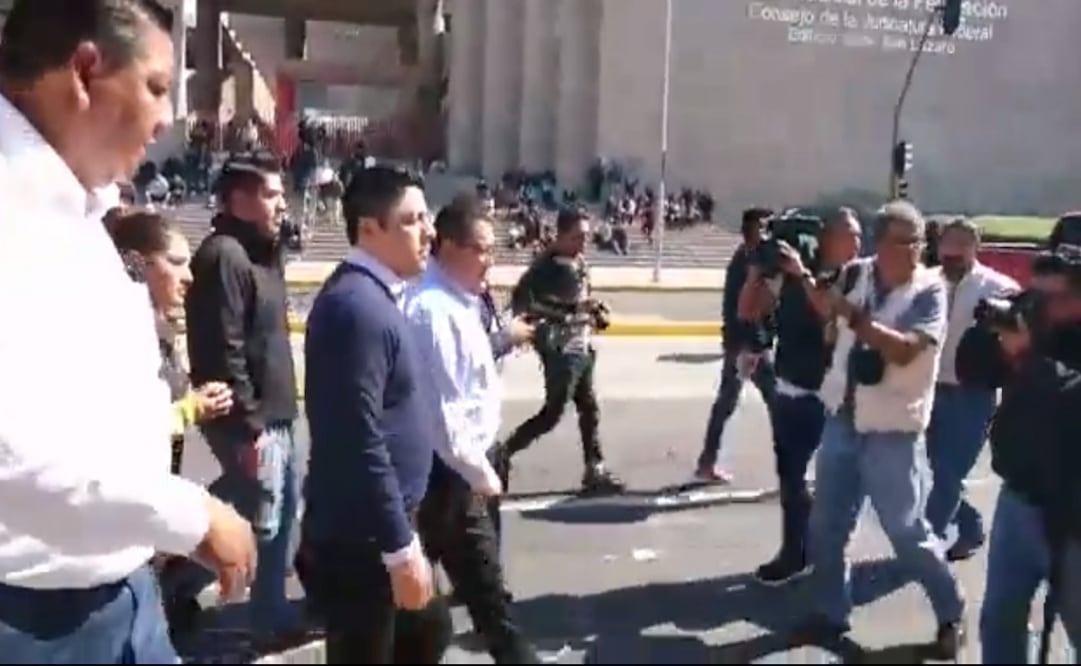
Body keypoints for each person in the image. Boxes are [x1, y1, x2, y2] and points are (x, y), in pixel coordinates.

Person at [0, 1, 255, 663]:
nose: (168, 118)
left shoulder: (77, 204)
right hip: (34, 620)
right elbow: (11, 458)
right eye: (155, 87)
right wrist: (187, 514)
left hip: (117, 593)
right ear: (85, 72)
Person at [297, 165, 452, 664]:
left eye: (427, 218)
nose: (429, 232)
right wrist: (398, 547)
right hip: (365, 540)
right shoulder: (356, 310)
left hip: (384, 527)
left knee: (427, 634)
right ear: (369, 228)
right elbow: (358, 437)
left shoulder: (376, 299)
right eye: (412, 220)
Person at [796, 201, 965, 658]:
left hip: (893, 427)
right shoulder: (857, 275)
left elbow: (908, 352)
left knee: (907, 532)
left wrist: (851, 317)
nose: (915, 251)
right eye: (904, 242)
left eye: (918, 242)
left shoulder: (930, 290)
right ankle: (831, 613)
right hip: (843, 418)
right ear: (879, 243)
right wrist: (820, 300)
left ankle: (951, 614)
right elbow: (830, 325)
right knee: (827, 526)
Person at [404, 194, 539, 664]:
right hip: (449, 477)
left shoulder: (461, 300)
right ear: (450, 247)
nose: (491, 261)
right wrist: (480, 473)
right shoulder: (432, 312)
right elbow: (444, 413)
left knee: (433, 604)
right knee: (486, 600)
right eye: (482, 249)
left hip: (458, 473)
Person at [181, 151, 303, 647]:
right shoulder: (223, 255)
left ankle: (262, 611)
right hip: (252, 419)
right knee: (259, 520)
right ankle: (181, 584)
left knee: (267, 515)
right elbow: (222, 348)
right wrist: (250, 429)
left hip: (276, 412)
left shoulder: (257, 252)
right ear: (240, 198)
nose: (281, 203)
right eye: (271, 194)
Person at [736, 208, 862, 585]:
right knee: (791, 479)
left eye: (857, 236)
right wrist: (760, 269)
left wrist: (800, 275)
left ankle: (827, 557)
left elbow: (830, 313)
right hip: (790, 387)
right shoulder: (793, 272)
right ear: (826, 238)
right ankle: (795, 551)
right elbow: (748, 310)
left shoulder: (857, 275)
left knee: (833, 484)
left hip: (831, 394)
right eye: (848, 236)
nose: (856, 244)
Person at [970, 249, 1081, 663]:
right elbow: (971, 370)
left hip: (1073, 516)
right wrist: (999, 332)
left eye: (1057, 295)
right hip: (1019, 497)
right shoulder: (1036, 325)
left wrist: (1028, 357)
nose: (1045, 306)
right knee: (1000, 621)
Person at [503, 207, 625, 495]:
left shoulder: (578, 261)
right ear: (560, 235)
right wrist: (570, 311)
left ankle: (594, 470)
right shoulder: (544, 267)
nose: (583, 243)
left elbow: (581, 299)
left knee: (589, 408)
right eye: (577, 237)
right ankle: (502, 453)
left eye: (586, 236)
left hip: (581, 344)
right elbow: (525, 303)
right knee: (553, 413)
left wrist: (595, 312)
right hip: (559, 349)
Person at [924, 218, 1018, 562]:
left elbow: (1016, 345)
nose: (949, 263)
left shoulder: (998, 289)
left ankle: (926, 544)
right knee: (938, 470)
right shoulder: (926, 282)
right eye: (945, 255)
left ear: (973, 250)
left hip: (972, 394)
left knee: (951, 472)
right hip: (930, 388)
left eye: (958, 256)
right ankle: (971, 527)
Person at [695, 207, 778, 483]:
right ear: (753, 231)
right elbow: (744, 309)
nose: (769, 233)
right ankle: (792, 466)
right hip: (748, 345)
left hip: (740, 343)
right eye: (764, 227)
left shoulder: (744, 258)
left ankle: (706, 462)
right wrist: (752, 347)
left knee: (727, 403)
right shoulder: (748, 263)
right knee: (777, 404)